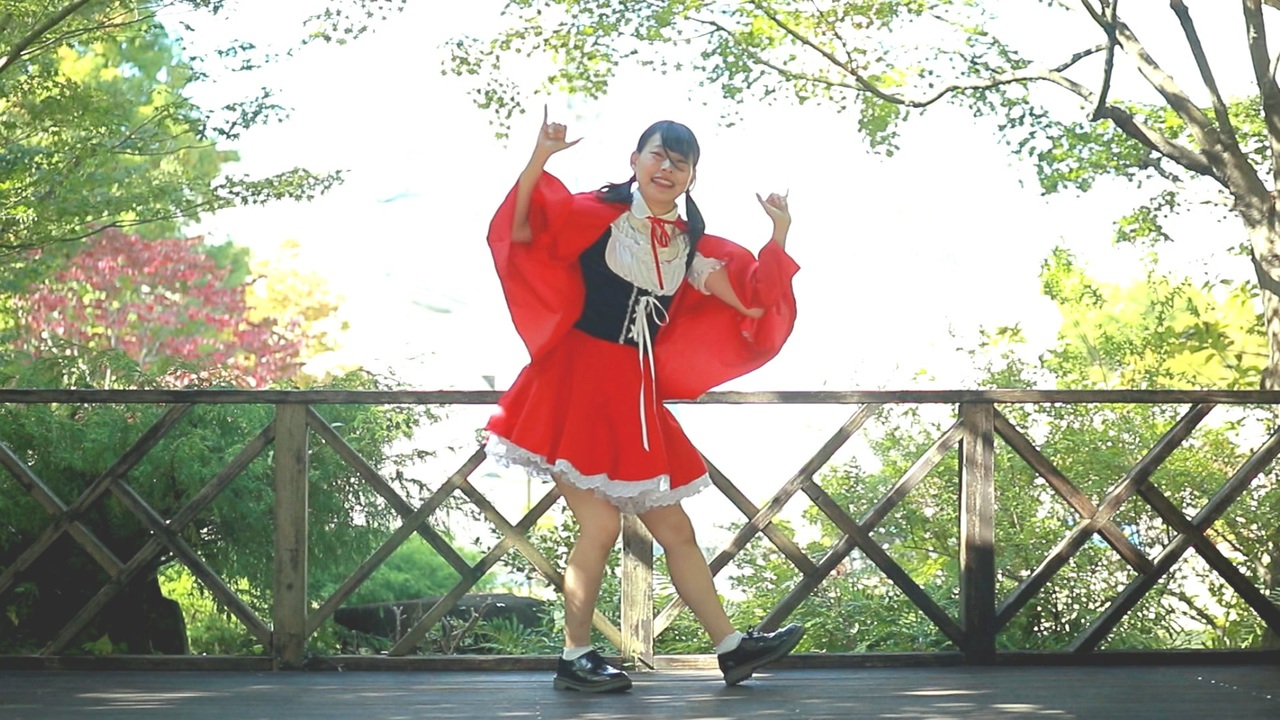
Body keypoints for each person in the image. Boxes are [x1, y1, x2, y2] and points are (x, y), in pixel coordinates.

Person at [483, 107, 804, 693]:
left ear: (691, 177)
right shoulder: (595, 217)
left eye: (681, 162)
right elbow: (520, 227)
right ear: (634, 161)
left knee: (677, 530)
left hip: (633, 397)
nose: (668, 167)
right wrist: (541, 157)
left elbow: (753, 304)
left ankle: (731, 648)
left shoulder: (689, 247)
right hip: (572, 385)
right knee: (600, 524)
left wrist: (778, 233)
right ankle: (574, 656)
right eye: (658, 155)